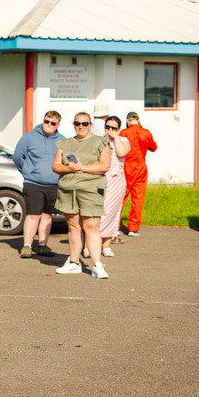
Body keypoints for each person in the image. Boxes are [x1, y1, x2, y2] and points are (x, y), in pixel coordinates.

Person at [52, 112, 112, 278]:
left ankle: (97, 265)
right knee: (73, 227)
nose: (81, 126)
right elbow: (56, 166)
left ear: (90, 124)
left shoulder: (100, 141)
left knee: (91, 227)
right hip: (68, 189)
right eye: (77, 123)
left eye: (84, 123)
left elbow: (105, 165)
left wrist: (81, 168)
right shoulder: (65, 143)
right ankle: (74, 262)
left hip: (91, 189)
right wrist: (68, 169)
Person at [13, 110, 64, 258]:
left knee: (47, 215)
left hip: (54, 184)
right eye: (46, 121)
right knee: (33, 215)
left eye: (52, 123)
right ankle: (27, 246)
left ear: (57, 125)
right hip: (33, 183)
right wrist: (28, 172)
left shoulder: (62, 140)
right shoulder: (29, 137)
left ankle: (42, 245)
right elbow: (18, 157)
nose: (48, 125)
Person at [87, 116, 130, 258]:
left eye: (114, 128)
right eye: (108, 127)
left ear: (119, 129)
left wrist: (116, 137)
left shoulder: (123, 140)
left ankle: (106, 245)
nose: (110, 130)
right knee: (96, 213)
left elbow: (121, 153)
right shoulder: (98, 140)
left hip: (117, 181)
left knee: (112, 213)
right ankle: (90, 244)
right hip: (100, 180)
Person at [119, 111, 157, 237]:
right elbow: (154, 147)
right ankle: (133, 229)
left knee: (120, 198)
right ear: (138, 120)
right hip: (141, 167)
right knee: (138, 199)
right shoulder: (146, 132)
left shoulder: (124, 133)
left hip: (127, 167)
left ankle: (115, 226)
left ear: (127, 120)